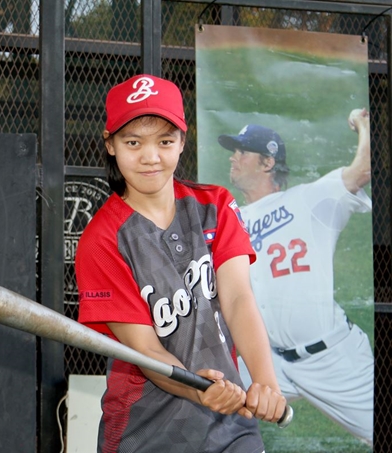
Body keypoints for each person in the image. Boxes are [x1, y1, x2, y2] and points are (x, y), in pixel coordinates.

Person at [74, 74, 286, 453]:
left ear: (183, 142)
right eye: (133, 142)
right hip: (147, 432)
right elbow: (145, 350)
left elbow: (238, 299)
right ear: (110, 144)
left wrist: (266, 381)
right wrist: (197, 387)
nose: (150, 156)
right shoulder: (102, 240)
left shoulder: (215, 206)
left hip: (231, 424)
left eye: (165, 141)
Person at [217, 115, 374, 446]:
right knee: (207, 402)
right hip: (268, 361)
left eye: (242, 151)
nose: (233, 157)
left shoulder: (310, 199)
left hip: (332, 358)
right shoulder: (233, 219)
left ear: (268, 162)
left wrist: (364, 124)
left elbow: (363, 168)